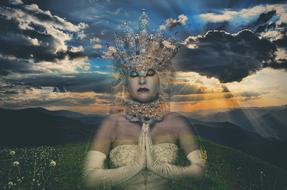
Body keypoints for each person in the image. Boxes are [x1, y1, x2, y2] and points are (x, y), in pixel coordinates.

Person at [83, 11, 207, 190]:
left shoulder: (176, 122)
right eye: (134, 74)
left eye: (149, 73)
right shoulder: (112, 124)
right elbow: (90, 178)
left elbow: (199, 172)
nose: (142, 80)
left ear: (160, 79)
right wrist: (132, 169)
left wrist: (167, 171)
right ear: (126, 82)